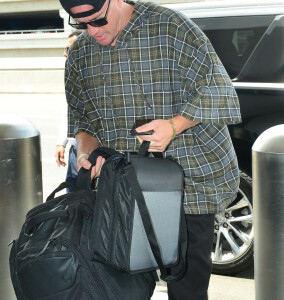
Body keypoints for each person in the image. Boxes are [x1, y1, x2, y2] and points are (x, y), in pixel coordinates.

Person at [58, 0, 242, 299]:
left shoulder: (171, 27)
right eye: (81, 24)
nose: (92, 32)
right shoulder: (81, 53)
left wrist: (174, 125)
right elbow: (82, 120)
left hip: (189, 183)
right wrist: (84, 153)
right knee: (124, 285)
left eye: (98, 20)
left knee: (187, 286)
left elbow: (217, 89)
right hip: (126, 190)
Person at [54, 30, 82, 190]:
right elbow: (69, 113)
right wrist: (61, 143)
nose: (65, 54)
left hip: (92, 151)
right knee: (72, 194)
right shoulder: (72, 76)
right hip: (75, 150)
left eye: (69, 49)